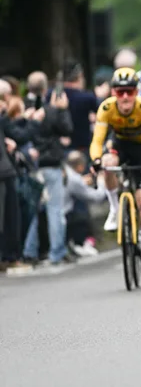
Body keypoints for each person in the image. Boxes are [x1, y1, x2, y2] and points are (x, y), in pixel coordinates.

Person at [90, 68, 141, 275]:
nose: (126, 96)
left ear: (136, 92)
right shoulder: (106, 108)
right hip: (119, 146)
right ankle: (114, 209)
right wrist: (95, 160)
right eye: (120, 92)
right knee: (107, 162)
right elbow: (97, 141)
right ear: (113, 93)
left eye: (130, 91)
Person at [22, 88, 74, 266]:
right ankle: (56, 252)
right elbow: (68, 129)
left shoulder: (24, 109)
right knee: (55, 210)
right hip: (51, 164)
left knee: (34, 210)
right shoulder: (52, 111)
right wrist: (63, 109)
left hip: (33, 166)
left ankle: (29, 251)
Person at [0, 96, 40, 272]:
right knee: (8, 217)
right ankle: (9, 256)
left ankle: (11, 256)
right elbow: (21, 135)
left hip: (7, 170)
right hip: (4, 172)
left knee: (13, 216)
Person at [48, 59, 98, 156]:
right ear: (80, 76)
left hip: (57, 149)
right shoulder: (87, 97)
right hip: (81, 149)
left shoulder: (51, 95)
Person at [64, 151, 106, 257]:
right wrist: (102, 181)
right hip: (66, 214)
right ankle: (81, 242)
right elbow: (97, 197)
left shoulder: (66, 172)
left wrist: (82, 182)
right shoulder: (74, 179)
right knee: (82, 210)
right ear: (80, 165)